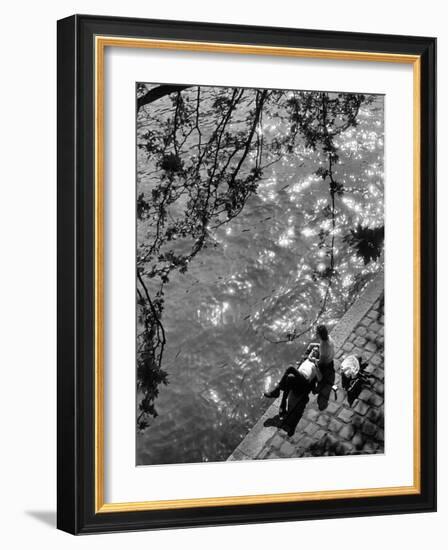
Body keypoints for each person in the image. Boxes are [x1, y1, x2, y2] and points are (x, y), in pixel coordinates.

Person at [264, 324, 334, 417]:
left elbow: (320, 373)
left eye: (316, 333)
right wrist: (312, 352)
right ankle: (282, 404)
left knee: (290, 368)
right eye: (314, 350)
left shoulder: (315, 362)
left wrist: (313, 360)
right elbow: (316, 350)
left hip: (304, 381)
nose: (314, 350)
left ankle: (277, 391)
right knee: (289, 377)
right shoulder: (326, 340)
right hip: (300, 377)